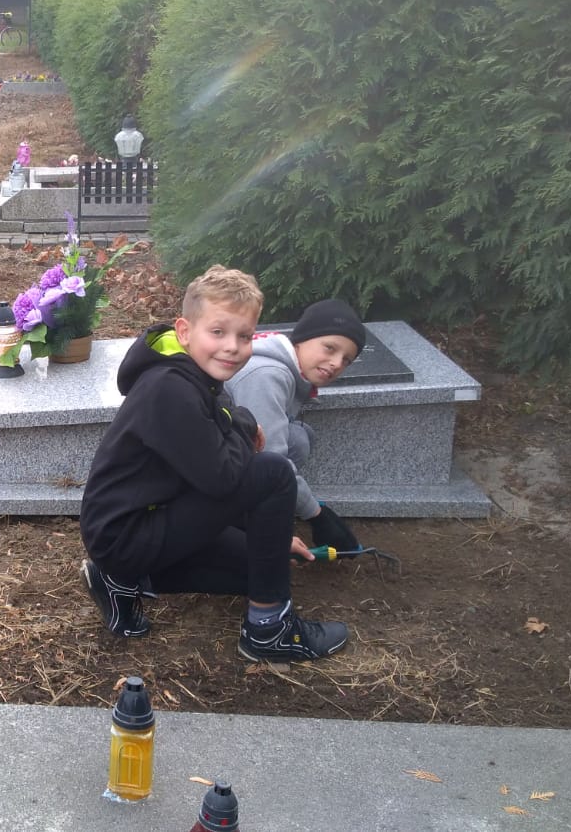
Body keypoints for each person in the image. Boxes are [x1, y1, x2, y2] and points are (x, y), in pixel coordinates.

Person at [78, 266, 349, 662]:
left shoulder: (194, 374)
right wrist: (243, 425)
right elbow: (223, 478)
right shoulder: (169, 389)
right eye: (218, 332)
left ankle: (119, 581)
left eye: (245, 336)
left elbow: (213, 469)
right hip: (127, 534)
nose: (232, 347)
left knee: (261, 569)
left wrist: (269, 541)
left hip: (152, 518)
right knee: (272, 472)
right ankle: (268, 629)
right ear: (184, 331)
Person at [225, 299, 368, 553]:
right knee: (288, 448)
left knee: (299, 437)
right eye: (330, 348)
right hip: (199, 477)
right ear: (301, 340)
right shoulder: (267, 375)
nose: (336, 363)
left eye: (346, 360)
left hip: (227, 455)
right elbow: (272, 459)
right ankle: (238, 525)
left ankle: (255, 512)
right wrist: (317, 515)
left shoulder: (286, 371)